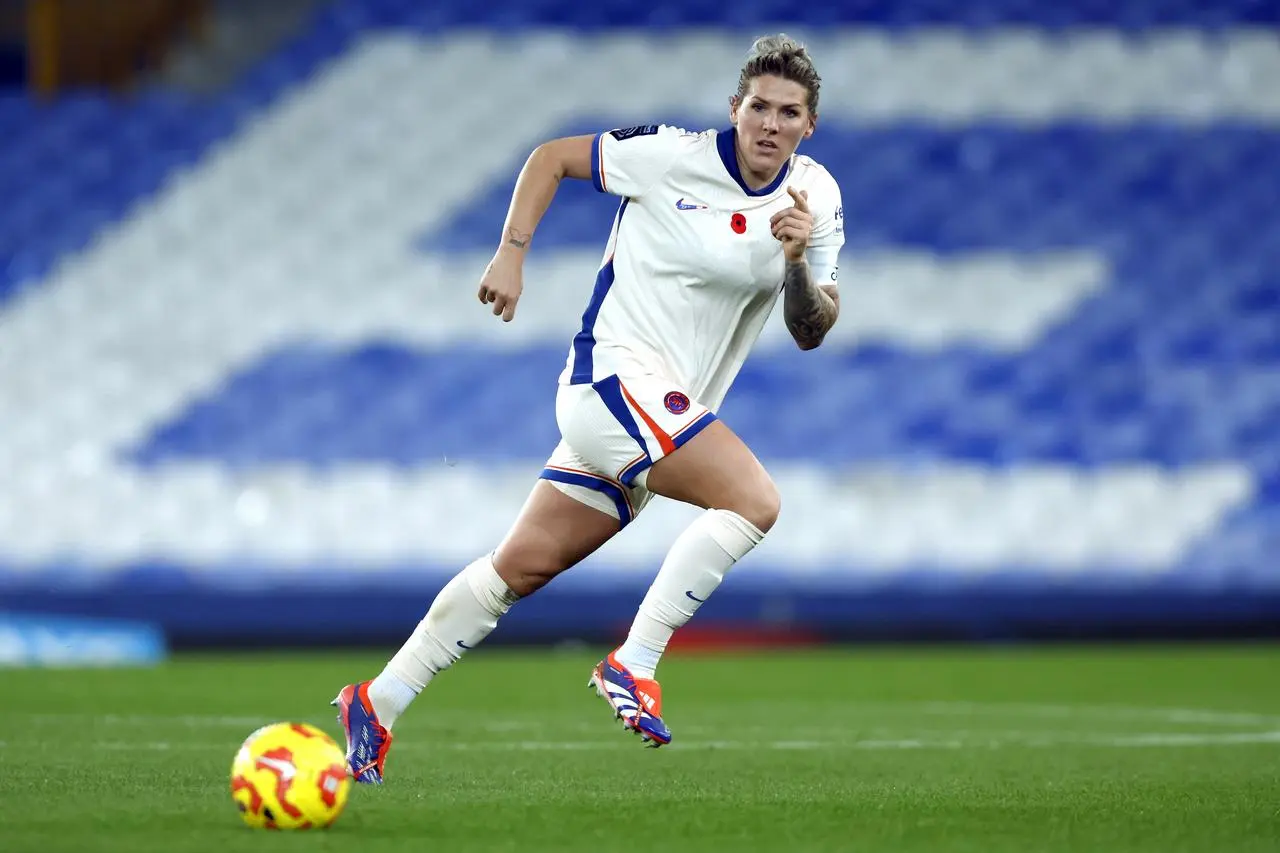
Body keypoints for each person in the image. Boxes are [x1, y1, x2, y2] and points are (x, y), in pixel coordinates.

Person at [333, 33, 845, 783]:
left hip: (659, 413)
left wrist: (797, 262)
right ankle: (634, 663)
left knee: (518, 569)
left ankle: (375, 702)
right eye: (758, 107)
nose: (769, 123)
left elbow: (812, 329)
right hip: (610, 383)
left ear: (809, 126)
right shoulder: (671, 156)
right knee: (754, 500)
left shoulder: (818, 199)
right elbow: (552, 157)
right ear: (734, 109)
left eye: (788, 112)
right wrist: (512, 250)